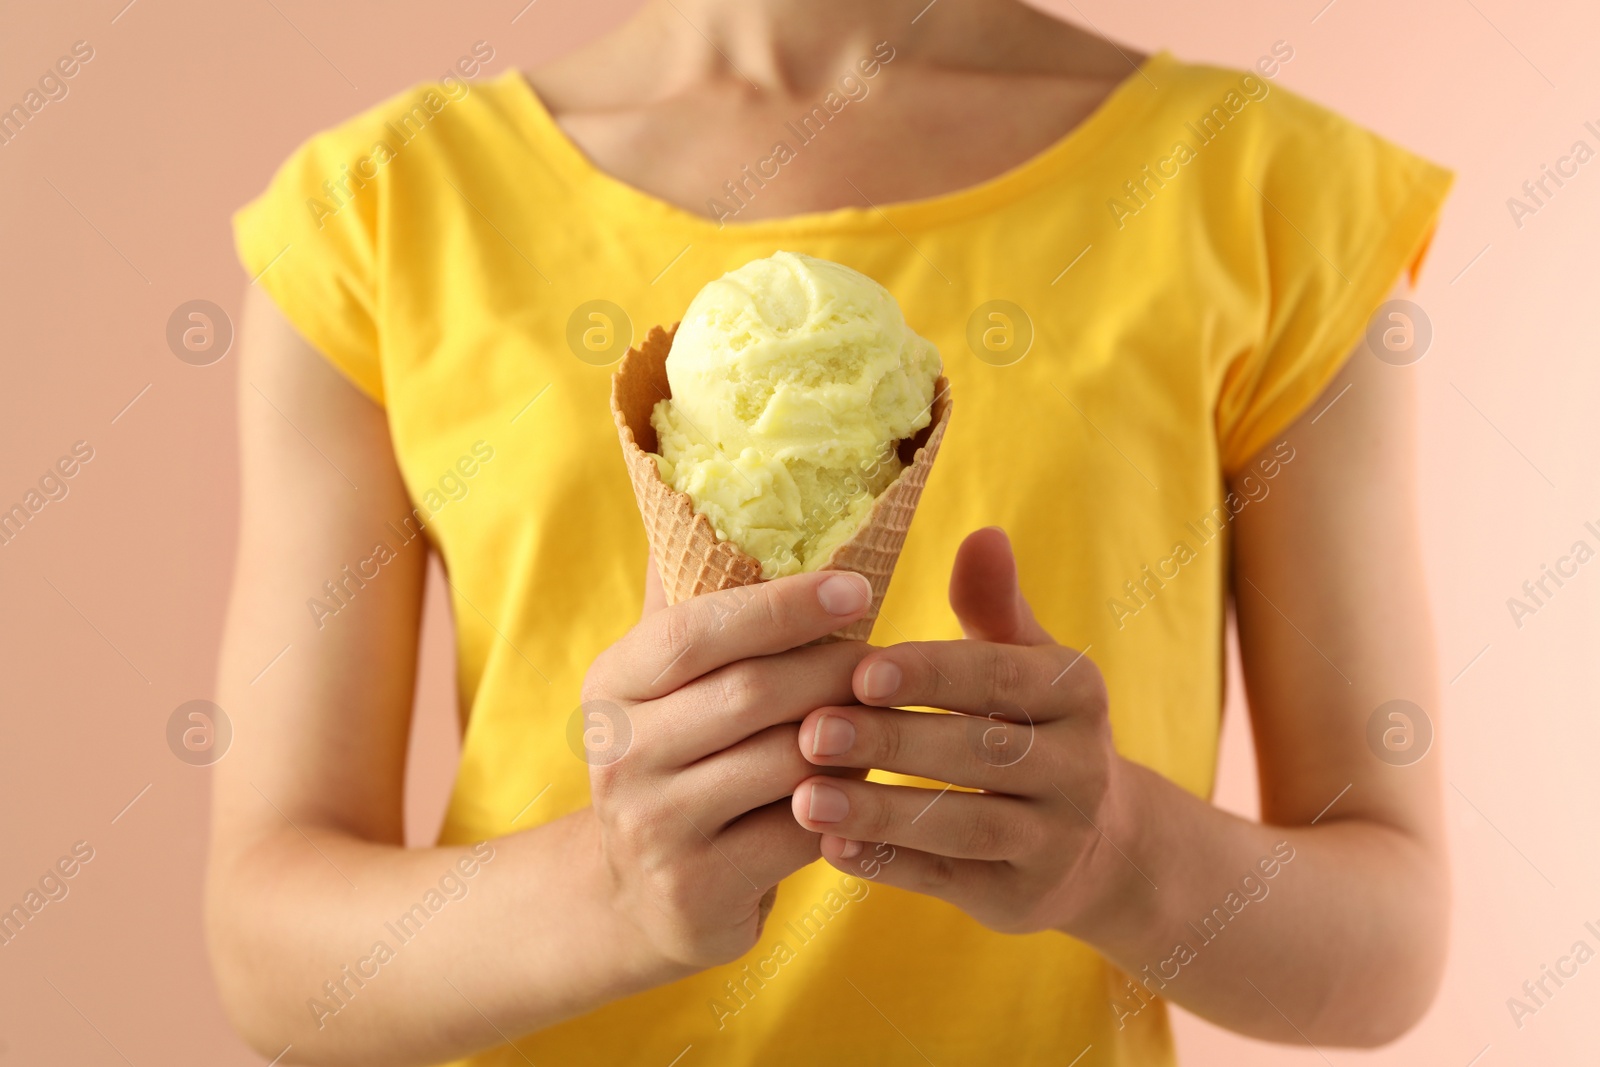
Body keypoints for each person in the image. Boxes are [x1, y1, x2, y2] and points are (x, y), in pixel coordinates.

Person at [206, 0, 1453, 1064]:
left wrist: (1118, 856)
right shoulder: (383, 214)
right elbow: (268, 946)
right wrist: (617, 895)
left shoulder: (1266, 192)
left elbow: (1388, 935)